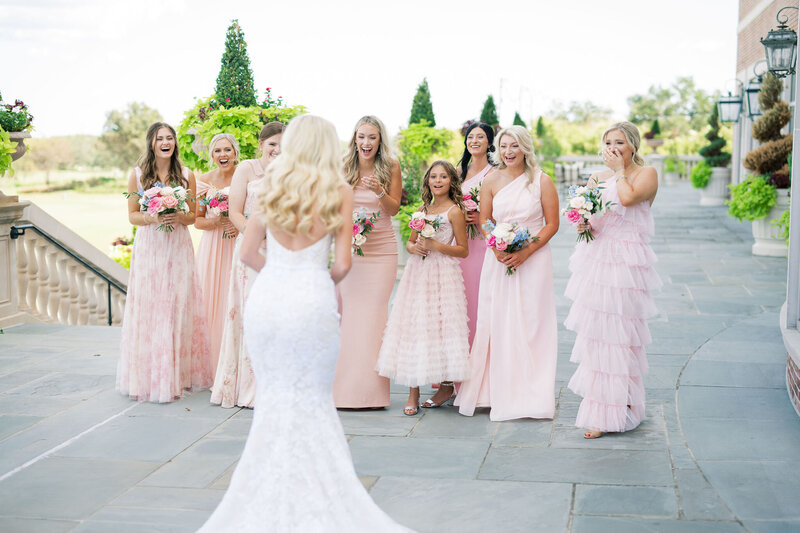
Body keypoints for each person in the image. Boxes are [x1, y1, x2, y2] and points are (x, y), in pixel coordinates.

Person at [196, 114, 414, 532]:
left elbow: (246, 254)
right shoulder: (337, 191)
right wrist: (313, 280)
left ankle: (266, 495)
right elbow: (344, 263)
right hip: (311, 303)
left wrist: (281, 272)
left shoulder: (274, 186)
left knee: (273, 397)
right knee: (312, 399)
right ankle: (315, 494)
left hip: (270, 300)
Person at [455, 125, 559, 421]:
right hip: (498, 259)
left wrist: (526, 251)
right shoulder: (492, 179)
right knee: (498, 320)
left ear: (525, 148)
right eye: (504, 147)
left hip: (534, 260)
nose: (509, 152)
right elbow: (486, 220)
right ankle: (493, 390)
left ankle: (532, 393)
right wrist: (497, 245)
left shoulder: (542, 181)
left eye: (514, 146)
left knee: (532, 323)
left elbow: (552, 224)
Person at [565, 121, 661, 439]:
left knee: (622, 337)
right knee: (598, 337)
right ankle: (602, 411)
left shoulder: (645, 174)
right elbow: (592, 217)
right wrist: (583, 224)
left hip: (628, 264)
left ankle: (627, 407)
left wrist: (619, 169)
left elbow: (629, 199)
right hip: (598, 260)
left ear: (632, 145)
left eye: (619, 142)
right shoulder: (596, 177)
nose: (613, 147)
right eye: (608, 142)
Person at [116, 122, 212, 403]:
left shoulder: (186, 175)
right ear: (152, 143)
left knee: (176, 305)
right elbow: (133, 215)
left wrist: (177, 216)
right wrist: (153, 216)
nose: (165, 142)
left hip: (178, 246)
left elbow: (193, 216)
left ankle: (177, 375)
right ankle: (149, 377)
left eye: (170, 138)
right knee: (151, 307)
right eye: (160, 138)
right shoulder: (137, 176)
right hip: (150, 247)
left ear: (175, 144)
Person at [376, 161, 470, 416]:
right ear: (427, 181)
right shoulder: (421, 209)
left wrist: (436, 245)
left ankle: (447, 386)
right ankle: (413, 391)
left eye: (443, 177)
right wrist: (414, 247)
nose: (437, 181)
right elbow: (410, 243)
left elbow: (463, 249)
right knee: (414, 326)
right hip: (418, 273)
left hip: (443, 274)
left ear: (451, 181)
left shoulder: (454, 212)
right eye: (433, 177)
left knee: (442, 326)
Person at [211, 122, 284, 408]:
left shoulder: (293, 172)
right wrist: (256, 236)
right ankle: (248, 388)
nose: (277, 150)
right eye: (272, 144)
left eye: (283, 145)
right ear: (261, 144)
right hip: (251, 252)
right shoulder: (247, 169)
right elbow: (234, 212)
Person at [333, 115, 402, 409]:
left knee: (375, 319)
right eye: (362, 137)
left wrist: (379, 192)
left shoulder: (391, 166)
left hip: (382, 252)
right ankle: (343, 391)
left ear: (380, 140)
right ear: (355, 139)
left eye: (372, 137)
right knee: (349, 317)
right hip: (351, 253)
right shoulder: (342, 166)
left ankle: (373, 393)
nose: (366, 142)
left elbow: (395, 209)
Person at [195, 133, 240, 377]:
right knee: (211, 298)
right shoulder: (204, 181)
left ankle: (235, 362)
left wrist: (238, 222)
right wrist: (215, 222)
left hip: (236, 243)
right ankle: (211, 365)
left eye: (227, 150)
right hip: (213, 247)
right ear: (212, 155)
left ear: (235, 152)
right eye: (218, 151)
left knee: (234, 295)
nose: (223, 155)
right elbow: (197, 221)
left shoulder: (244, 176)